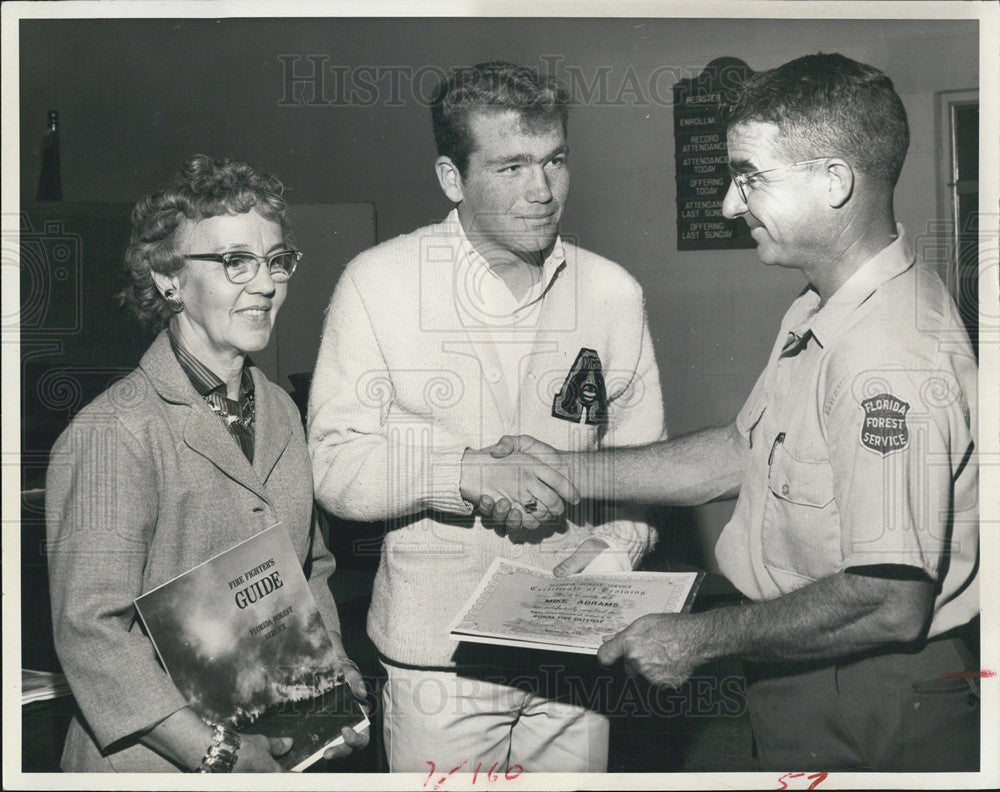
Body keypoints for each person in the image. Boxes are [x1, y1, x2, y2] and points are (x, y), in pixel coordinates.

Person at [483, 53, 979, 771]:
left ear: (834, 181)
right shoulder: (826, 303)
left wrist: (700, 639)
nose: (728, 204)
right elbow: (738, 452)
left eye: (750, 177)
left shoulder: (888, 355)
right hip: (808, 672)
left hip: (871, 696)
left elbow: (889, 599)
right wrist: (566, 467)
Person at [307, 61, 665, 772]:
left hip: (572, 647)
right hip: (440, 663)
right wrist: (461, 471)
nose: (542, 190)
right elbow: (335, 465)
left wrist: (616, 550)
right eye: (511, 167)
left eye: (555, 160)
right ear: (451, 177)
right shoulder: (377, 283)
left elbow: (646, 466)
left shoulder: (613, 293)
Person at [45, 155, 368, 772]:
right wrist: (213, 751)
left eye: (276, 261)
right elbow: (90, 630)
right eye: (234, 262)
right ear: (167, 279)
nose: (267, 285)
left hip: (274, 745)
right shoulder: (112, 432)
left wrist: (338, 685)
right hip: (157, 763)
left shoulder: (278, 408)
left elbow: (309, 569)